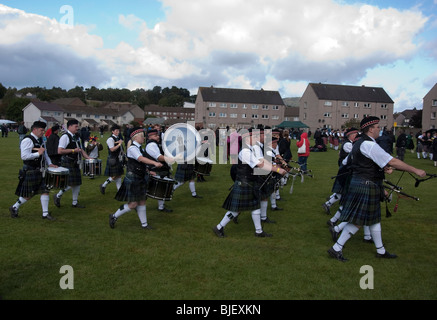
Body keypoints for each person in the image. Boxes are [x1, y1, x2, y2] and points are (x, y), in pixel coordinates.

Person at [327, 116, 426, 262]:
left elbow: (366, 163)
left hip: (363, 182)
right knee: (358, 221)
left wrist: (382, 168)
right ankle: (336, 248)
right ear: (371, 128)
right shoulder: (369, 144)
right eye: (378, 127)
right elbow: (392, 160)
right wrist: (415, 170)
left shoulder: (361, 143)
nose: (380, 129)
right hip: (366, 184)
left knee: (373, 220)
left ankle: (380, 250)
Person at [213, 128, 287, 238]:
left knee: (255, 207)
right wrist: (277, 170)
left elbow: (262, 160)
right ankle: (219, 227)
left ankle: (258, 231)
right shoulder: (245, 152)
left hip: (250, 182)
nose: (257, 139)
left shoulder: (252, 149)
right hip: (244, 183)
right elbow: (260, 165)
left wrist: (274, 165)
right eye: (255, 137)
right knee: (236, 210)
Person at [109, 128, 163, 230]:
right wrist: (154, 163)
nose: (144, 138)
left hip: (140, 177)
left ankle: (144, 225)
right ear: (136, 137)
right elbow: (140, 159)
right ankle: (114, 216)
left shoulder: (140, 148)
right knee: (133, 204)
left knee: (142, 201)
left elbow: (140, 164)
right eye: (142, 136)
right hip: (133, 178)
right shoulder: (132, 148)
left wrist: (148, 171)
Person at [9, 121, 56, 220]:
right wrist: (37, 154)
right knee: (29, 194)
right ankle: (14, 207)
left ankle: (45, 214)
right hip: (31, 170)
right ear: (34, 129)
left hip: (41, 170)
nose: (43, 132)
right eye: (41, 130)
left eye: (44, 130)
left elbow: (45, 153)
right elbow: (24, 156)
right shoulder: (27, 140)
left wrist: (50, 163)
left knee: (45, 190)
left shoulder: (41, 139)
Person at [53, 120, 90, 208]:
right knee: (70, 183)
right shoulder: (65, 137)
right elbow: (60, 150)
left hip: (75, 162)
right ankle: (58, 195)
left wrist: (88, 157)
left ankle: (75, 202)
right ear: (69, 127)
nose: (77, 128)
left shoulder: (77, 136)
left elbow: (81, 149)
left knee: (77, 183)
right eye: (75, 126)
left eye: (78, 126)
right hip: (68, 162)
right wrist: (73, 150)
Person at [323, 127, 358, 215]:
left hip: (347, 169)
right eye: (355, 135)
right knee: (343, 190)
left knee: (343, 191)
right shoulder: (348, 144)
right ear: (351, 136)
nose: (356, 137)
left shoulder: (350, 144)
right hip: (345, 169)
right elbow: (355, 155)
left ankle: (328, 204)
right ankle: (328, 204)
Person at [144, 129, 175, 212]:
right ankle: (136, 205)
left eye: (157, 135)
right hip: (154, 169)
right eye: (155, 135)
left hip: (159, 168)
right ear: (149, 136)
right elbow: (158, 157)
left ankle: (161, 207)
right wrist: (170, 159)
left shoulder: (155, 144)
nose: (158, 137)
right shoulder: (151, 145)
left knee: (161, 188)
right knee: (147, 191)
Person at [100, 125, 125, 195]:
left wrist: (123, 153)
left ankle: (119, 191)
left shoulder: (118, 138)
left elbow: (120, 149)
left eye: (118, 130)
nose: (118, 132)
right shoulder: (110, 139)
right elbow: (112, 149)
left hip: (118, 158)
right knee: (114, 176)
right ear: (112, 131)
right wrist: (119, 144)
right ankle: (103, 185)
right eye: (116, 131)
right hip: (113, 159)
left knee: (119, 175)